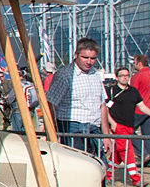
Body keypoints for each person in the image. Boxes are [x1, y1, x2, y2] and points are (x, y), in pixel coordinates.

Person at [45, 38, 115, 166]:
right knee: (76, 168)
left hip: (93, 129)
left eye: (93, 58)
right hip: (71, 129)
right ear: (76, 55)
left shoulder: (96, 74)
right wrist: (51, 132)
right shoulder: (64, 75)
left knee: (99, 168)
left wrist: (106, 135)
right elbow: (50, 104)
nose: (89, 62)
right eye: (85, 57)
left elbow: (102, 105)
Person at [106, 67, 150, 185]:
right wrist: (113, 123)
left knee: (118, 152)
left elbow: (142, 106)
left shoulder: (133, 91)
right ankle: (136, 178)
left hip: (129, 126)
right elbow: (105, 108)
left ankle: (108, 174)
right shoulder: (111, 91)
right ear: (117, 77)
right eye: (122, 75)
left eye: (127, 75)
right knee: (127, 150)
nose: (125, 77)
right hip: (118, 125)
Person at [131, 54, 150, 167]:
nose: (133, 65)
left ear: (139, 62)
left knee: (128, 130)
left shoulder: (138, 76)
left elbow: (132, 92)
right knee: (148, 136)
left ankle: (143, 154)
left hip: (139, 109)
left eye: (134, 62)